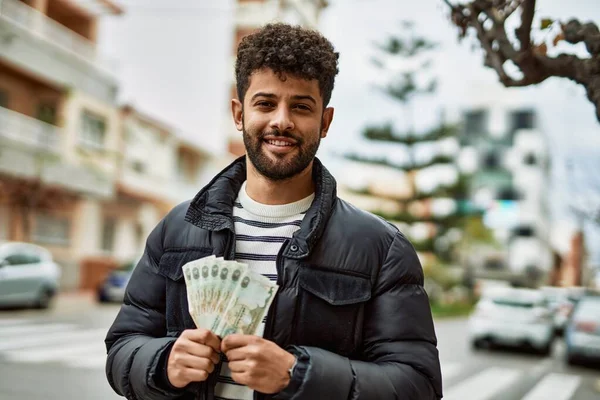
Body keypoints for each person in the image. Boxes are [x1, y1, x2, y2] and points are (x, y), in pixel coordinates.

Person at [105, 23, 442, 400]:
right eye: (265, 103)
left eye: (300, 106)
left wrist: (297, 375)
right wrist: (163, 362)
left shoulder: (382, 248)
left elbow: (418, 385)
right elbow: (122, 348)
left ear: (325, 122)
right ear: (238, 114)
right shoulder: (177, 228)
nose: (281, 120)